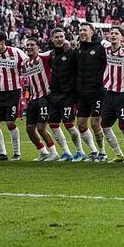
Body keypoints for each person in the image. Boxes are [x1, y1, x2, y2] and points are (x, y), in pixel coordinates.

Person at [45, 28, 84, 162]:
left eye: (62, 36)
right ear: (52, 39)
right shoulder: (51, 54)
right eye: (57, 37)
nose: (60, 39)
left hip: (68, 94)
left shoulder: (71, 52)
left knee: (69, 124)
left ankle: (80, 151)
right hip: (55, 94)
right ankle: (66, 153)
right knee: (53, 124)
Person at [0, 30, 27, 162]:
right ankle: (2, 153)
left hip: (13, 92)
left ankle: (17, 153)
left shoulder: (17, 53)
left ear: (3, 42)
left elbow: (28, 64)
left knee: (10, 122)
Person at [73, 23, 108, 162]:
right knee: (81, 124)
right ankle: (93, 151)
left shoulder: (100, 47)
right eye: (80, 30)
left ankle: (102, 152)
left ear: (92, 32)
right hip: (82, 92)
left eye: (85, 30)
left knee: (95, 123)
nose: (82, 32)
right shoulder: (78, 49)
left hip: (97, 91)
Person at [100, 26, 124, 163]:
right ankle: (118, 154)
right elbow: (97, 39)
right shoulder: (106, 46)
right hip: (109, 92)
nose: (113, 35)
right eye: (111, 33)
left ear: (122, 37)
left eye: (116, 33)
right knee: (105, 125)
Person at [22, 39, 59, 162]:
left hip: (45, 98)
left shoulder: (44, 57)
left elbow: (55, 51)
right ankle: (43, 152)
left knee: (41, 128)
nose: (29, 47)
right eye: (27, 45)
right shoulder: (25, 63)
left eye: (32, 45)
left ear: (38, 47)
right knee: (29, 129)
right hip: (33, 99)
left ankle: (54, 153)